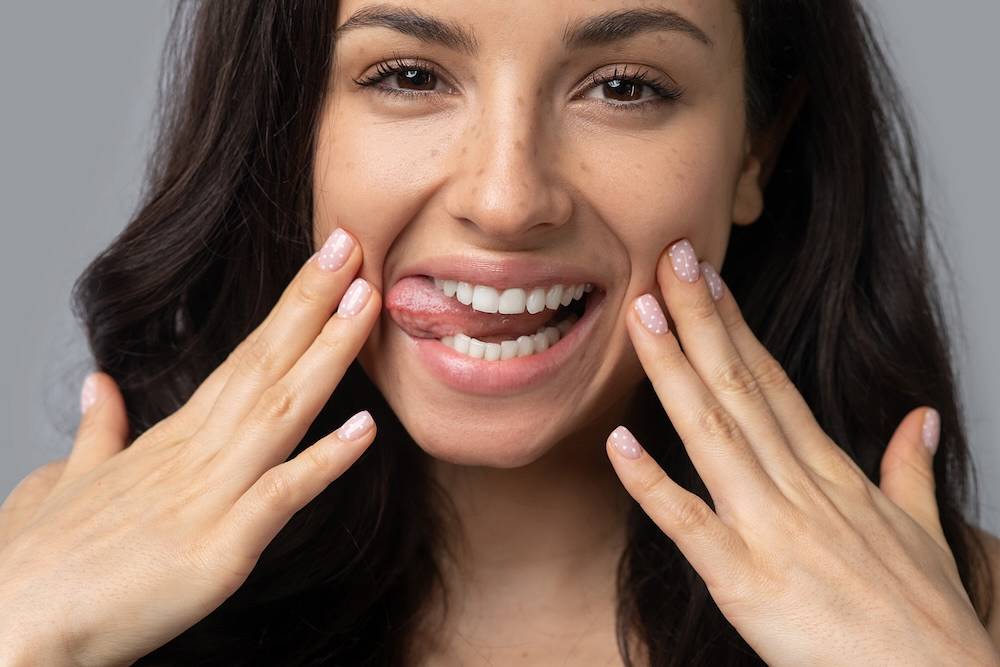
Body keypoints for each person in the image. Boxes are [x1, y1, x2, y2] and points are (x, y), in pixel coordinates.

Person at [1, 1, 998, 664]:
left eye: (624, 87)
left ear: (754, 149)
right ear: (287, 126)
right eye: (407, 75)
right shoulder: (39, 591)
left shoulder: (957, 623)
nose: (507, 196)